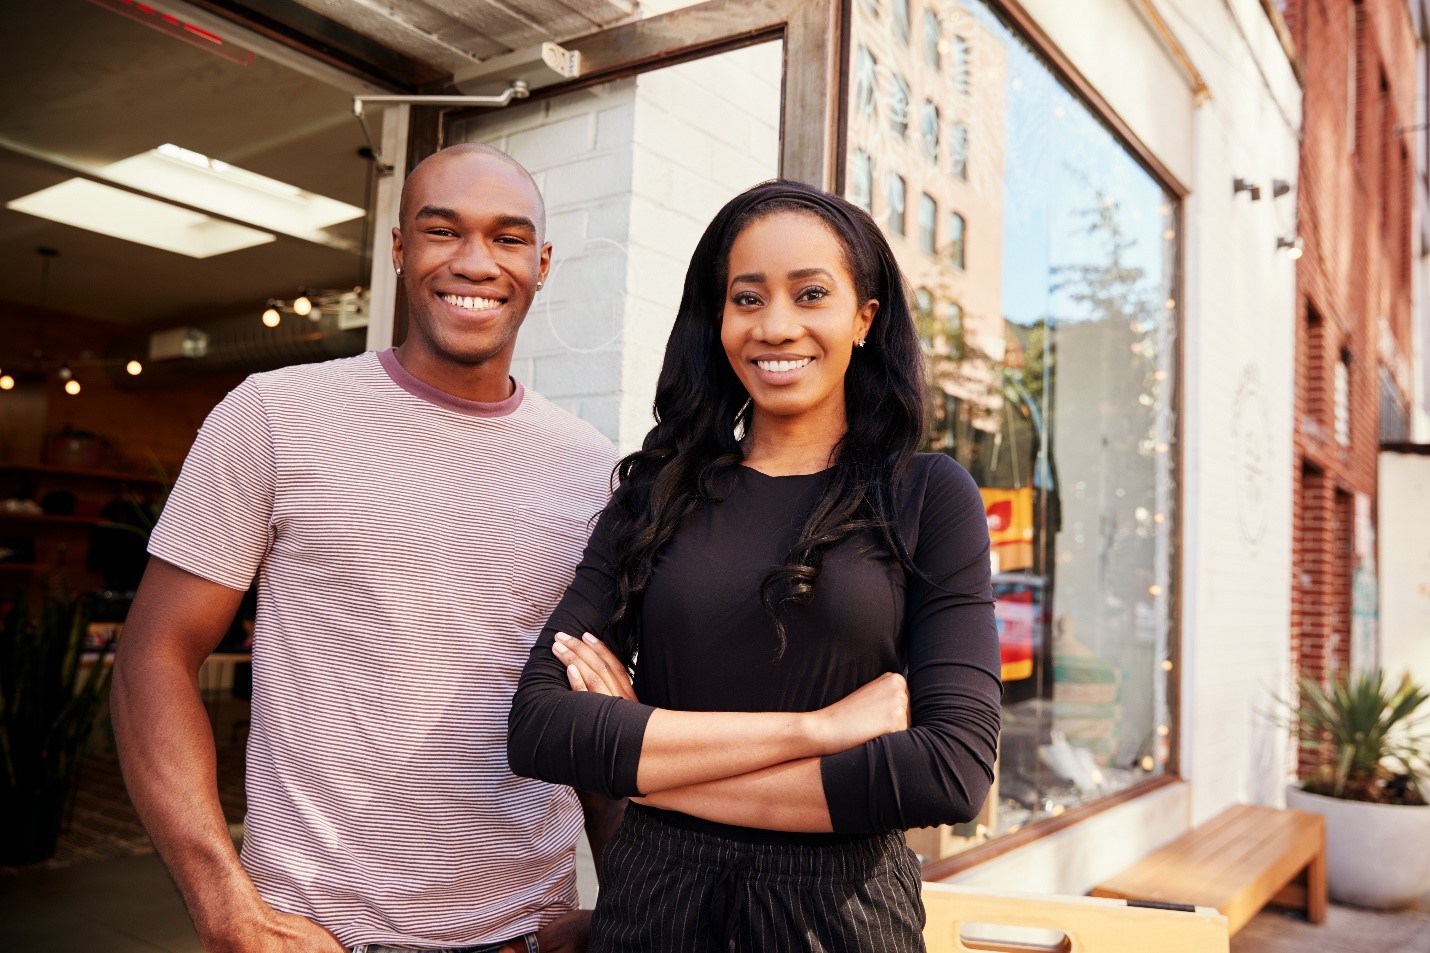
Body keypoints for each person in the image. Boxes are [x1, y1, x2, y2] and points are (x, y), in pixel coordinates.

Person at [112, 143, 622, 953]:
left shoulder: (595, 472)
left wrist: (634, 914)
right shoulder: (275, 415)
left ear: (543, 262)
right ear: (398, 249)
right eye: (442, 231)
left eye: (508, 237)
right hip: (312, 932)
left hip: (522, 935)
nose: (475, 262)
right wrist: (223, 906)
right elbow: (154, 656)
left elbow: (598, 712)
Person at [507, 179, 1002, 952]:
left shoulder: (927, 496)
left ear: (864, 317)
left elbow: (950, 769)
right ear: (719, 317)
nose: (777, 326)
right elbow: (540, 728)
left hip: (842, 920)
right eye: (747, 298)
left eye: (811, 294)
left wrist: (645, 754)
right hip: (651, 913)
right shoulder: (655, 494)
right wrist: (820, 728)